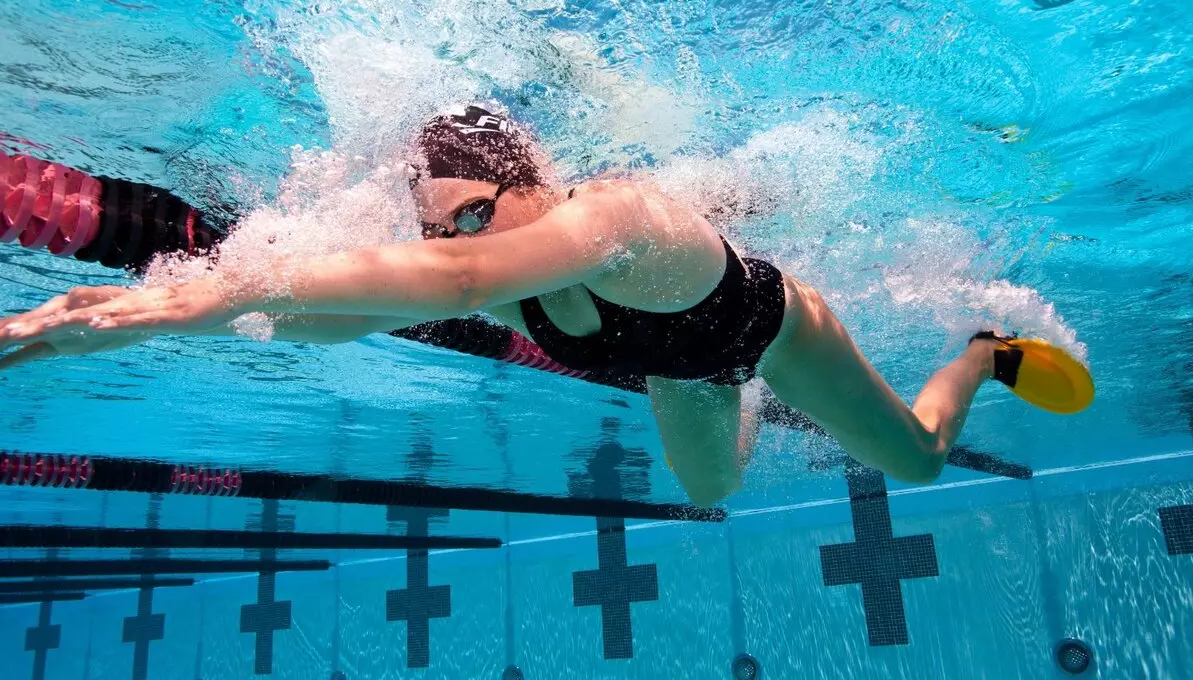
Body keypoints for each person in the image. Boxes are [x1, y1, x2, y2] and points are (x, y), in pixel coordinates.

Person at [0, 104, 1092, 506]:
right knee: (710, 489)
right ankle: (748, 406)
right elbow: (335, 312)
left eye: (474, 215)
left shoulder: (620, 217)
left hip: (766, 327)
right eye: (437, 228)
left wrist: (151, 311)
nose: (454, 243)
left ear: (531, 181)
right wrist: (172, 299)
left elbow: (461, 283)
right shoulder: (494, 256)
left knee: (912, 461)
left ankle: (984, 353)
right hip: (681, 368)